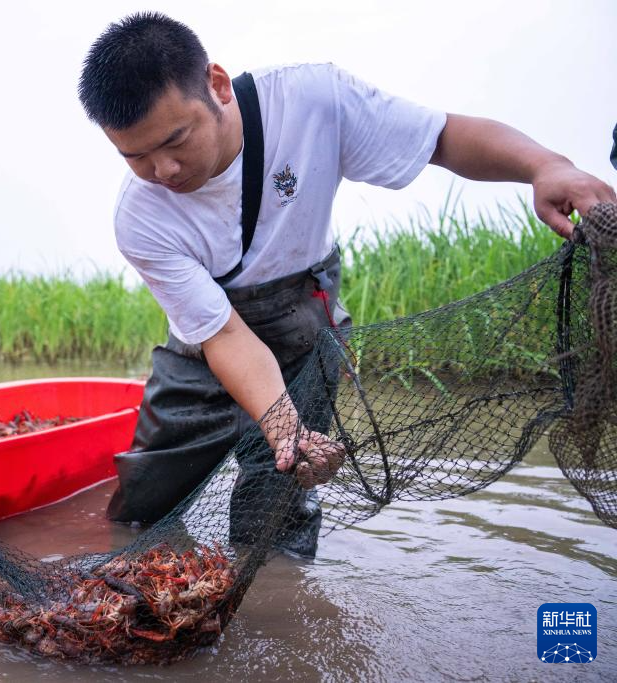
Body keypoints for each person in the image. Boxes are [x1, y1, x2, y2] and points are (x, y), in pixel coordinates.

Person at [77, 12, 617, 556]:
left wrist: (546, 165)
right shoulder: (140, 218)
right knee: (141, 507)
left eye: (175, 141)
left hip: (302, 324)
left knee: (278, 507)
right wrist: (279, 419)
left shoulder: (311, 101)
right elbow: (223, 336)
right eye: (136, 157)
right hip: (205, 345)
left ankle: (280, 613)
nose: (164, 171)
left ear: (217, 86)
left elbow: (442, 138)